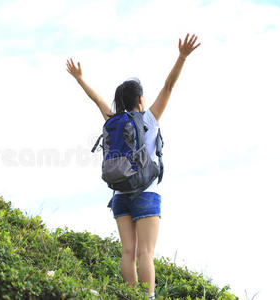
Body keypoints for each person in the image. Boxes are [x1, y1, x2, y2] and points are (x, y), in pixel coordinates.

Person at [66, 33, 201, 299]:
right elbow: (169, 86)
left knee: (128, 252)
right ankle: (148, 298)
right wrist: (182, 57)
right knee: (146, 253)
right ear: (140, 100)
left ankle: (131, 296)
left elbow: (97, 101)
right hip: (146, 193)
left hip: (119, 195)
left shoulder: (114, 119)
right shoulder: (149, 118)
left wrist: (80, 79)